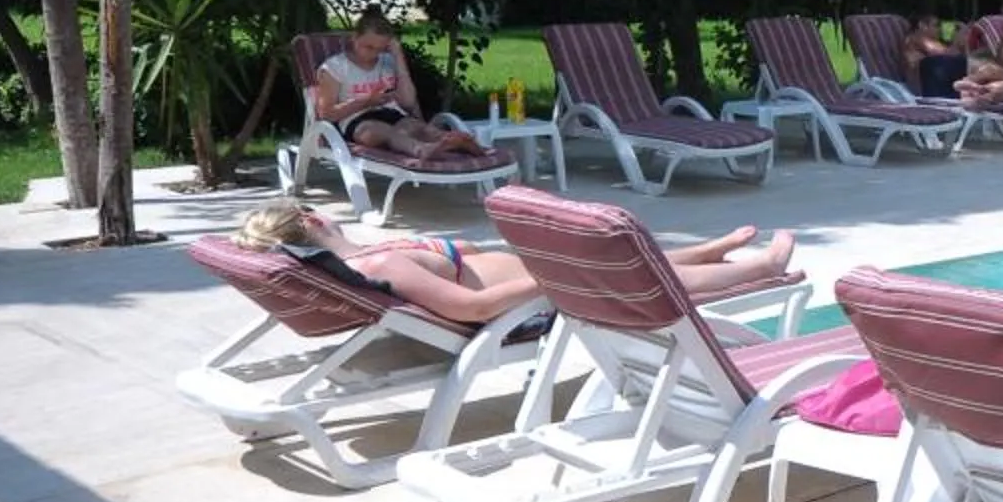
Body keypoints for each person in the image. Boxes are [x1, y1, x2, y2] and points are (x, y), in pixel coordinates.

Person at [233, 198, 796, 327]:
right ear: (310, 223)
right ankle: (759, 270)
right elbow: (474, 307)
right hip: (530, 301)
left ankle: (707, 252)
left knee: (610, 254)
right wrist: (547, 278)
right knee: (631, 276)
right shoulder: (381, 269)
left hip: (529, 277)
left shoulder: (366, 259)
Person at [315, 10, 490, 164]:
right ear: (354, 37)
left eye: (380, 48)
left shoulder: (387, 61)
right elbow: (326, 113)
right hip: (357, 121)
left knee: (422, 129)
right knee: (388, 133)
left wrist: (397, 54)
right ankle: (421, 150)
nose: (374, 54)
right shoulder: (335, 68)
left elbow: (407, 101)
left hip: (393, 115)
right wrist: (365, 101)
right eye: (368, 47)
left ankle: (459, 143)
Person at [900, 16, 1003, 111]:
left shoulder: (926, 44)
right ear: (922, 25)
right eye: (936, 25)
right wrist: (959, 41)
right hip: (929, 77)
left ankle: (981, 93)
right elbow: (945, 54)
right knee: (998, 71)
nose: (940, 29)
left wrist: (964, 45)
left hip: (943, 82)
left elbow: (959, 56)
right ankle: (971, 81)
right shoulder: (917, 37)